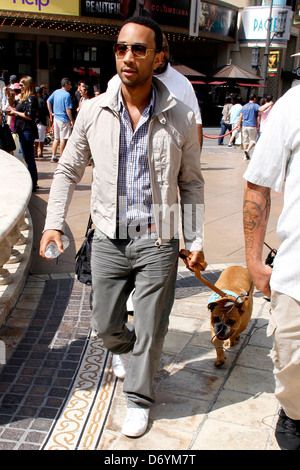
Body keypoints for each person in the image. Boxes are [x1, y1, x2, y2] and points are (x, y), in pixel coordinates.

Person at [39, 15, 205, 438]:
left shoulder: (180, 116)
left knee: (151, 323)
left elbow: (190, 183)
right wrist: (53, 224)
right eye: (121, 48)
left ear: (158, 57)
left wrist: (195, 239)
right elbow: (67, 169)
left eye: (139, 49)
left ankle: (138, 397)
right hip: (109, 236)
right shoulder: (94, 111)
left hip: (158, 235)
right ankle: (133, 354)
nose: (128, 57)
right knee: (105, 324)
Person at [243, 84, 300, 450]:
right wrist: (253, 260)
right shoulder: (295, 103)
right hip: (297, 278)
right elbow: (258, 182)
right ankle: (294, 413)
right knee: (293, 368)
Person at [107, 33, 203, 149]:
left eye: (165, 49)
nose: (162, 55)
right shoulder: (117, 82)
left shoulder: (183, 83)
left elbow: (195, 123)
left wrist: (193, 160)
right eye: (158, 50)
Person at [9, 76, 39, 191]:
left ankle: (33, 182)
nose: (19, 87)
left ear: (27, 85)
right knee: (27, 157)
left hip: (27, 130)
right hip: (22, 130)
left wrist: (15, 112)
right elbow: (15, 108)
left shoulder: (31, 98)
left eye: (21, 85)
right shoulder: (23, 98)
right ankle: (32, 181)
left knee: (29, 158)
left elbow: (29, 116)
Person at [47, 78, 74, 163]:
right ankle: (62, 156)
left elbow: (48, 101)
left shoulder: (56, 92)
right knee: (63, 139)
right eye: (69, 84)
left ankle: (53, 156)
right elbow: (68, 109)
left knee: (56, 138)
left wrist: (51, 112)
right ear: (66, 84)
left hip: (56, 118)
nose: (70, 86)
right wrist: (71, 120)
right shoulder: (67, 95)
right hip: (64, 119)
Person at [239, 93, 273, 160]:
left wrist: (240, 126)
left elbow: (240, 117)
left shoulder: (244, 106)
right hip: (252, 125)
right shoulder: (255, 105)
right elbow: (261, 109)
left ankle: (244, 156)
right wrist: (270, 104)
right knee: (253, 140)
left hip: (244, 125)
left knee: (245, 141)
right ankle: (247, 150)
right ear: (254, 98)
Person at [34, 87, 48, 158]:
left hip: (36, 121)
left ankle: (35, 152)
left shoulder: (34, 101)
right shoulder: (42, 101)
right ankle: (41, 152)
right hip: (42, 121)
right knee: (42, 138)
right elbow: (46, 112)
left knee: (36, 139)